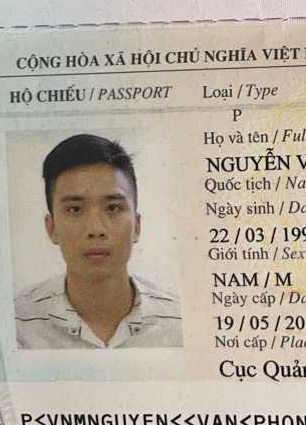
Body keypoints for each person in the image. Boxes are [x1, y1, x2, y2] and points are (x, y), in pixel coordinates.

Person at [15, 134, 182, 349]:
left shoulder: (180, 321)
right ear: (52, 228)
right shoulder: (16, 324)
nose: (96, 229)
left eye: (113, 207)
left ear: (137, 226)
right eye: (75, 209)